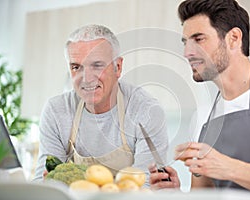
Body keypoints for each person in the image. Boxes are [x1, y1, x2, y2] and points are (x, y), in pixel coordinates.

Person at [149, 0, 250, 196]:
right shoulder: (203, 116)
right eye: (186, 43)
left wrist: (230, 169)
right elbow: (203, 196)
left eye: (199, 39)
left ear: (234, 38)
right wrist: (175, 192)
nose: (187, 53)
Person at [33, 24, 168, 186]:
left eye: (97, 65)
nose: (87, 78)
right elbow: (44, 182)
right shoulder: (56, 110)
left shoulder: (146, 110)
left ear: (117, 67)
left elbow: (146, 185)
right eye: (76, 67)